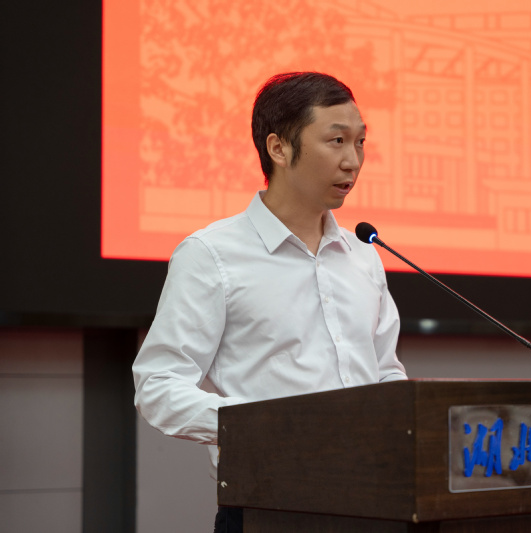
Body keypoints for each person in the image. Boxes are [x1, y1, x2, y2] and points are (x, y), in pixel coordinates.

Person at [132, 72, 407, 532]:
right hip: (269, 507)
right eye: (336, 141)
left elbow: (384, 372)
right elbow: (158, 384)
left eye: (360, 142)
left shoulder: (363, 256)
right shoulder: (212, 254)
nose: (353, 160)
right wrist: (262, 424)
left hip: (374, 502)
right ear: (278, 148)